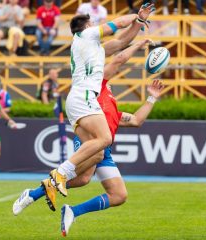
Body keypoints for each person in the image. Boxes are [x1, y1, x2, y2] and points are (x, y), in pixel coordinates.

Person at [13, 39, 163, 237]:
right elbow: (118, 59)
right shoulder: (97, 84)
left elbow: (136, 120)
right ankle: (34, 194)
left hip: (103, 147)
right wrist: (138, 45)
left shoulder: (114, 109)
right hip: (91, 140)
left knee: (118, 195)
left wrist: (151, 97)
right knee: (95, 159)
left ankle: (70, 210)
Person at [47, 4, 154, 199]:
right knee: (105, 139)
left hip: (80, 98)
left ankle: (47, 185)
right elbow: (119, 23)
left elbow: (121, 43)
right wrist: (136, 15)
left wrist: (139, 23)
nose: (96, 25)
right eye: (92, 22)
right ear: (86, 26)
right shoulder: (86, 36)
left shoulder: (93, 48)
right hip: (84, 96)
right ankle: (60, 173)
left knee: (95, 154)